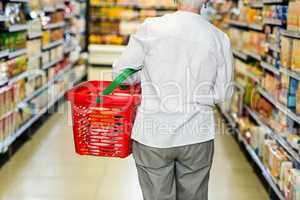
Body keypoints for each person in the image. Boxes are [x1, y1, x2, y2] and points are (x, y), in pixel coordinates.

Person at [112, 0, 234, 199]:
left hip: (152, 133)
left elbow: (121, 76)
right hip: (197, 135)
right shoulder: (218, 37)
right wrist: (197, 95)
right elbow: (224, 93)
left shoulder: (151, 27)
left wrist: (144, 78)